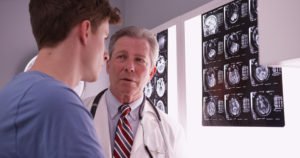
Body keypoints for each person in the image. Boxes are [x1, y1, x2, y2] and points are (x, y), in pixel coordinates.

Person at [0, 0, 120, 157]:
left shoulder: (11, 93)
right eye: (104, 38)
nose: (106, 55)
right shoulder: (60, 105)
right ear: (86, 31)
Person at [84, 26, 186, 158]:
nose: (129, 67)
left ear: (151, 73)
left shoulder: (171, 131)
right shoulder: (77, 113)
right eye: (121, 57)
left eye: (139, 60)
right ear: (108, 65)